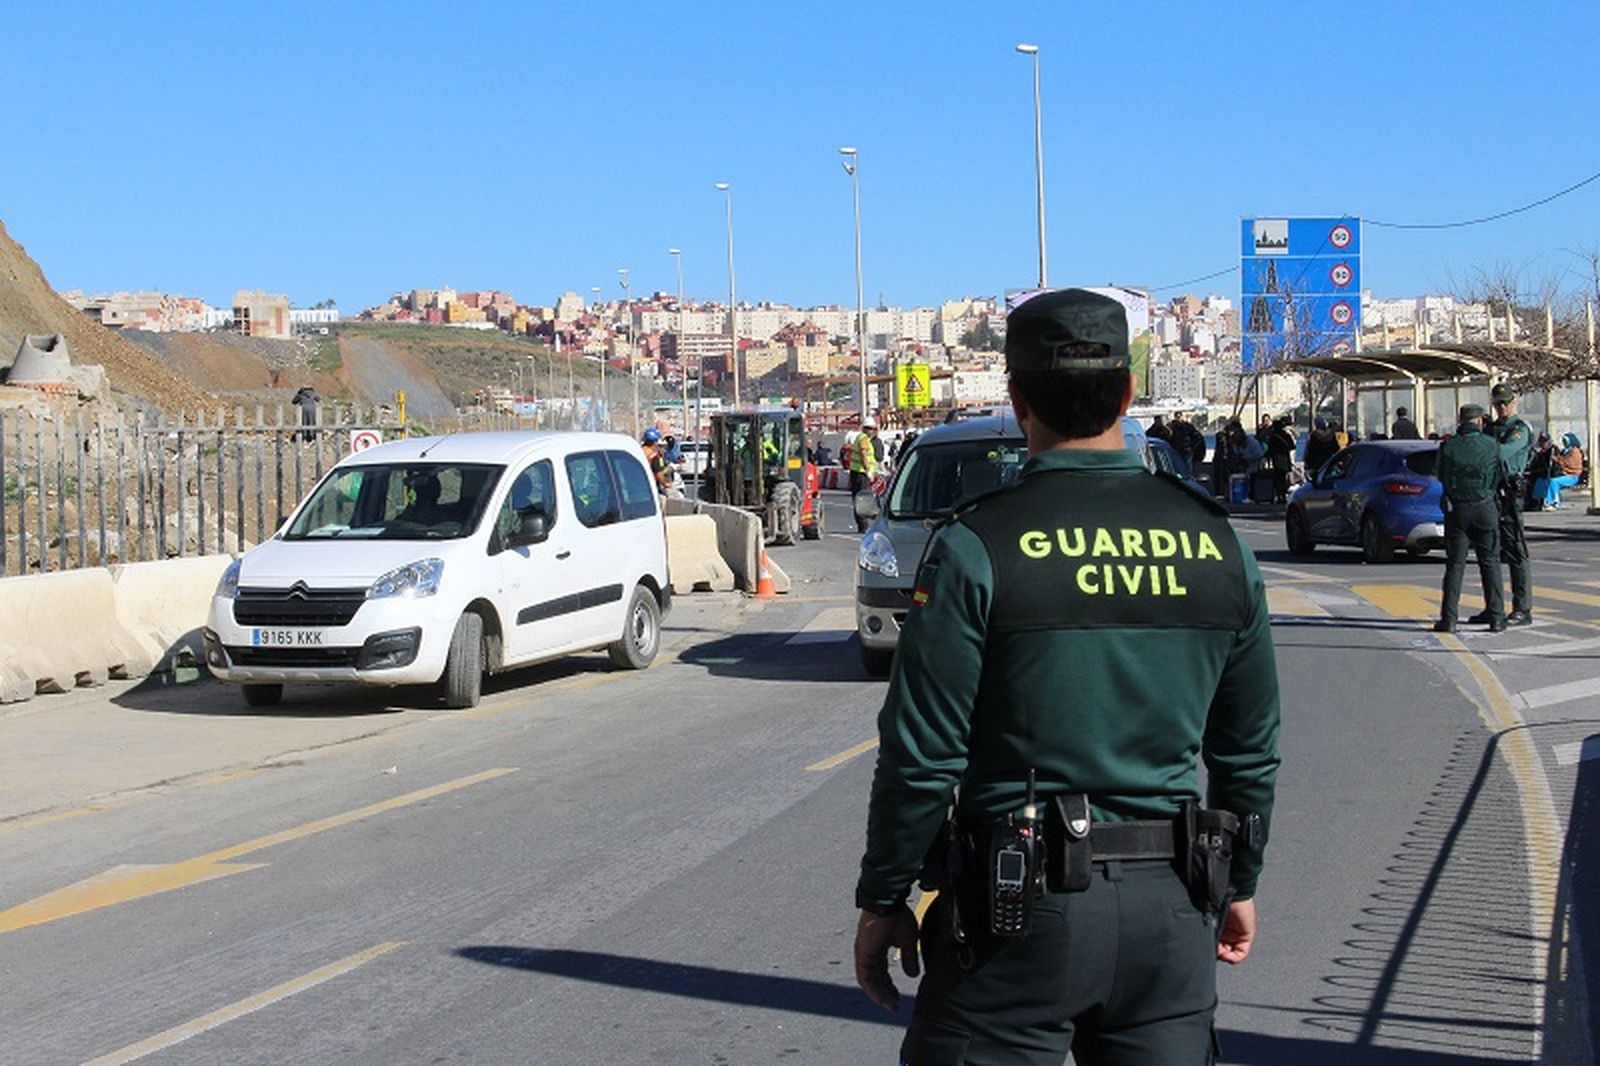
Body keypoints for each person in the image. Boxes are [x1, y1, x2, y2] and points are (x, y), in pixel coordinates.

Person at [853, 288, 1281, 1064]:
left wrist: (885, 896)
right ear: (1127, 393)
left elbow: (922, 756)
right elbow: (1249, 753)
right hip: (1172, 913)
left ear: (1017, 401)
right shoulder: (1220, 547)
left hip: (1018, 913)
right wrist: (1239, 880)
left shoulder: (977, 546)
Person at [1435, 404, 1506, 633]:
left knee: (1455, 565)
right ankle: (1496, 617)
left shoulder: (1448, 446)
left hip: (1458, 510)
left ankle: (1449, 619)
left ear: (1461, 422)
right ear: (1479, 422)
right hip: (1485, 508)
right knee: (1490, 563)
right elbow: (1500, 474)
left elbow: (1441, 476)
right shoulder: (1492, 445)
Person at [1470, 384, 1534, 627]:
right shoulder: (1490, 428)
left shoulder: (1518, 429)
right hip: (1488, 493)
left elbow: (1503, 453)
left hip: (1509, 495)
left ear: (1514, 402)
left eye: (1505, 403)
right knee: (1489, 553)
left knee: (1516, 551)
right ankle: (1493, 606)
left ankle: (1522, 607)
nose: (1502, 408)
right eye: (1498, 404)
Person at [1532, 432, 1584, 509]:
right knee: (1542, 480)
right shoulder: (1565, 451)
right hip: (1564, 474)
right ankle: (1537, 501)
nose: (1564, 443)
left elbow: (1570, 463)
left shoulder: (1575, 451)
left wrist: (1557, 460)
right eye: (1564, 441)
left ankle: (1553, 502)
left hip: (1573, 476)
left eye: (1565, 441)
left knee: (1554, 482)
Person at [850, 419, 880, 531]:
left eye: (873, 429)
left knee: (858, 498)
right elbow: (863, 455)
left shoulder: (861, 438)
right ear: (865, 429)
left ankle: (861, 524)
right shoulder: (864, 439)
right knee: (862, 499)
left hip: (857, 472)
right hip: (861, 472)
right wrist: (868, 470)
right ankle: (863, 525)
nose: (872, 431)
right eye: (870, 428)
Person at [1266, 416, 1296, 503]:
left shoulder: (1273, 437)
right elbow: (1292, 446)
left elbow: (1270, 449)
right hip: (1285, 458)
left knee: (1277, 478)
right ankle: (1283, 495)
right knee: (1283, 478)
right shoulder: (1286, 435)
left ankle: (1278, 496)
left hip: (1276, 458)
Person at [641, 428, 673, 496]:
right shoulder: (654, 455)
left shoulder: (640, 451)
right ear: (655, 442)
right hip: (651, 485)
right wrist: (666, 484)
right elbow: (659, 473)